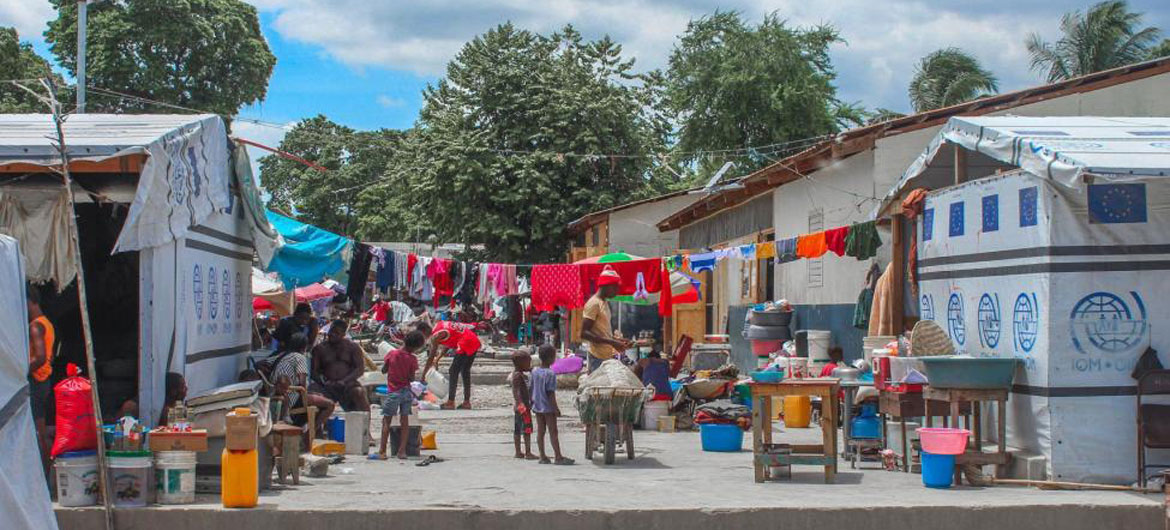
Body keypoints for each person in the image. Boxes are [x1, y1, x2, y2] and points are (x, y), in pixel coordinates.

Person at [275, 333, 335, 438]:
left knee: (319, 397)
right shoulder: (299, 357)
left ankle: (313, 433)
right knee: (330, 404)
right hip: (293, 396)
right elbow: (302, 381)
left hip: (284, 394)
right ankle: (310, 434)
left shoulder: (284, 355)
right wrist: (307, 393)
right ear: (304, 346)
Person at [376, 330, 423, 460]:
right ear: (416, 347)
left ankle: (382, 451)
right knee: (405, 421)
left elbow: (384, 370)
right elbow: (411, 377)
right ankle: (402, 451)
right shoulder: (412, 359)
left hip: (393, 392)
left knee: (386, 421)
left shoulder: (392, 354)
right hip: (407, 392)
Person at [419, 320, 482, 410]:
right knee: (465, 371)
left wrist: (423, 377)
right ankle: (466, 402)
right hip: (474, 340)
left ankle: (450, 402)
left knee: (453, 371)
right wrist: (438, 359)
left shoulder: (436, 336)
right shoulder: (440, 325)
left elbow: (430, 357)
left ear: (424, 332)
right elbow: (449, 342)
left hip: (465, 341)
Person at [311, 319, 371, 412]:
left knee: (359, 392)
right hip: (327, 386)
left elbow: (360, 369)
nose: (332, 335)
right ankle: (316, 424)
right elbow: (314, 371)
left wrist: (344, 381)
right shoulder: (320, 349)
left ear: (343, 335)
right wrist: (324, 382)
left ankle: (365, 425)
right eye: (331, 331)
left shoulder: (352, 347)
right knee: (313, 392)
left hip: (347, 385)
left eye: (337, 333)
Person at [580, 266, 631, 373]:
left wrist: (618, 341)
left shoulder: (604, 303)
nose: (617, 291)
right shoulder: (593, 303)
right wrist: (612, 342)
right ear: (607, 286)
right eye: (616, 287)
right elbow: (584, 333)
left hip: (606, 356)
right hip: (596, 357)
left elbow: (602, 331)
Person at [26, 286, 54, 468]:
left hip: (36, 381)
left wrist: (21, 370)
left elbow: (40, 357)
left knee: (38, 432)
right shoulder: (47, 323)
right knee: (41, 430)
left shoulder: (35, 326)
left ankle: (43, 474)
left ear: (31, 301)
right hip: (44, 382)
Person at [531, 344, 572, 465]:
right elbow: (550, 393)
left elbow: (531, 388)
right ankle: (558, 456)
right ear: (550, 358)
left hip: (537, 406)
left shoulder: (535, 372)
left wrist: (531, 402)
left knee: (540, 431)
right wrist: (556, 408)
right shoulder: (550, 374)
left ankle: (542, 456)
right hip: (548, 407)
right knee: (553, 432)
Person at [509, 349, 537, 460]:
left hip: (520, 407)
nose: (529, 365)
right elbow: (516, 391)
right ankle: (528, 452)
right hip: (522, 407)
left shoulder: (518, 374)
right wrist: (521, 404)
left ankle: (518, 452)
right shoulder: (517, 376)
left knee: (517, 429)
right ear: (521, 363)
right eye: (528, 363)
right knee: (527, 429)